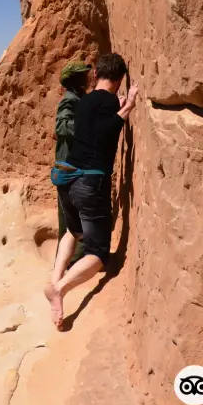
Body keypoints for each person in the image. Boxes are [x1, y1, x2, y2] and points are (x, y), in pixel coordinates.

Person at [44, 53, 138, 329]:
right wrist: (127, 107)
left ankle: (54, 278)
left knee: (73, 232)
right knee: (97, 254)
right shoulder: (109, 100)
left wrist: (117, 109)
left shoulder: (83, 101)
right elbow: (106, 133)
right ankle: (60, 289)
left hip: (68, 177)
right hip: (89, 181)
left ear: (96, 74)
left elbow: (91, 128)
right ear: (119, 79)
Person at [54, 60, 92, 265]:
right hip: (67, 166)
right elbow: (61, 127)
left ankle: (75, 259)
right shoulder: (69, 99)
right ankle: (68, 262)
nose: (87, 79)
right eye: (82, 76)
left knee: (77, 213)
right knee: (70, 217)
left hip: (74, 165)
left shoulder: (79, 98)